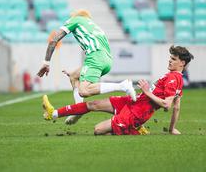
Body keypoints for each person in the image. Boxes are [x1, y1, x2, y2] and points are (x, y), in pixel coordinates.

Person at [42, 46, 194, 135]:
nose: (170, 60)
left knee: (97, 130)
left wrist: (147, 92)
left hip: (137, 112)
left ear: (182, 63)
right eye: (170, 57)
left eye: (173, 59)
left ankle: (133, 128)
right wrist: (172, 129)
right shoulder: (174, 77)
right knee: (92, 104)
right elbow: (177, 106)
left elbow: (167, 105)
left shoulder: (174, 78)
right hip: (133, 101)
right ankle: (53, 113)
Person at [37, 9, 136, 125]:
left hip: (95, 57)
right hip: (107, 60)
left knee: (83, 91)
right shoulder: (93, 25)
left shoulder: (75, 20)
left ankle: (122, 85)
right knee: (74, 76)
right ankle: (77, 112)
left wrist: (46, 62)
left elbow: (54, 39)